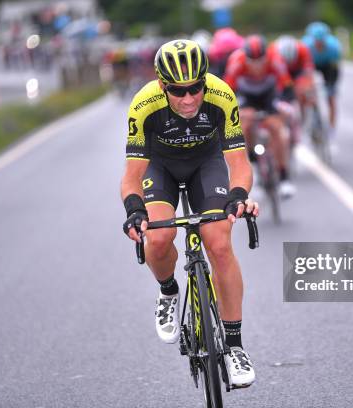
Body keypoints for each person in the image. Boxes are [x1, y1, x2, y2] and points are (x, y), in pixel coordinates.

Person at [121, 39, 258, 388]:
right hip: (160, 168)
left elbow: (240, 165)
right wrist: (134, 211)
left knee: (220, 243)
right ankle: (168, 291)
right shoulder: (144, 104)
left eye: (196, 87)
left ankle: (235, 346)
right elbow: (132, 177)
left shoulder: (222, 96)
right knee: (160, 236)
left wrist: (239, 195)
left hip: (205, 164)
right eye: (178, 91)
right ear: (162, 85)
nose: (189, 98)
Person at [223, 34, 296, 198]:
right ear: (246, 58)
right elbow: (227, 91)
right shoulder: (237, 61)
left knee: (277, 130)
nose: (256, 66)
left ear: (266, 56)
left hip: (268, 96)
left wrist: (285, 104)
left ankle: (284, 177)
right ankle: (253, 159)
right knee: (246, 123)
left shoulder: (275, 59)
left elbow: (287, 86)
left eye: (260, 61)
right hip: (247, 96)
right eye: (252, 62)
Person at [302, 21, 342, 129]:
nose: (319, 44)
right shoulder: (305, 46)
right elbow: (304, 69)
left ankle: (331, 129)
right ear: (312, 39)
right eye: (316, 41)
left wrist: (330, 86)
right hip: (311, 65)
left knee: (330, 96)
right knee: (308, 90)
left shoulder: (334, 47)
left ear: (326, 39)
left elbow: (335, 70)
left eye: (322, 41)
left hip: (328, 66)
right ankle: (312, 115)